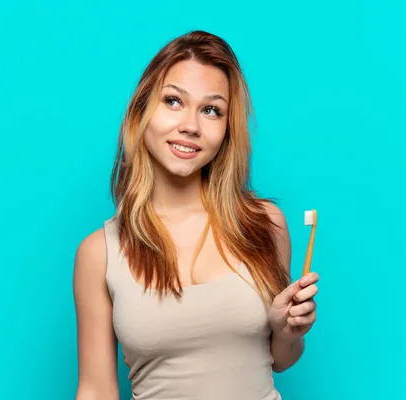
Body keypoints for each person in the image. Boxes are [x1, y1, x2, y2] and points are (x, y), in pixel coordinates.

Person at [73, 30, 320, 400]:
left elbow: (280, 359)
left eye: (211, 110)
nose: (191, 125)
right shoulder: (100, 253)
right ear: (141, 112)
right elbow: (96, 390)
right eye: (173, 101)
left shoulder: (263, 224)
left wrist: (287, 331)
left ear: (226, 130)